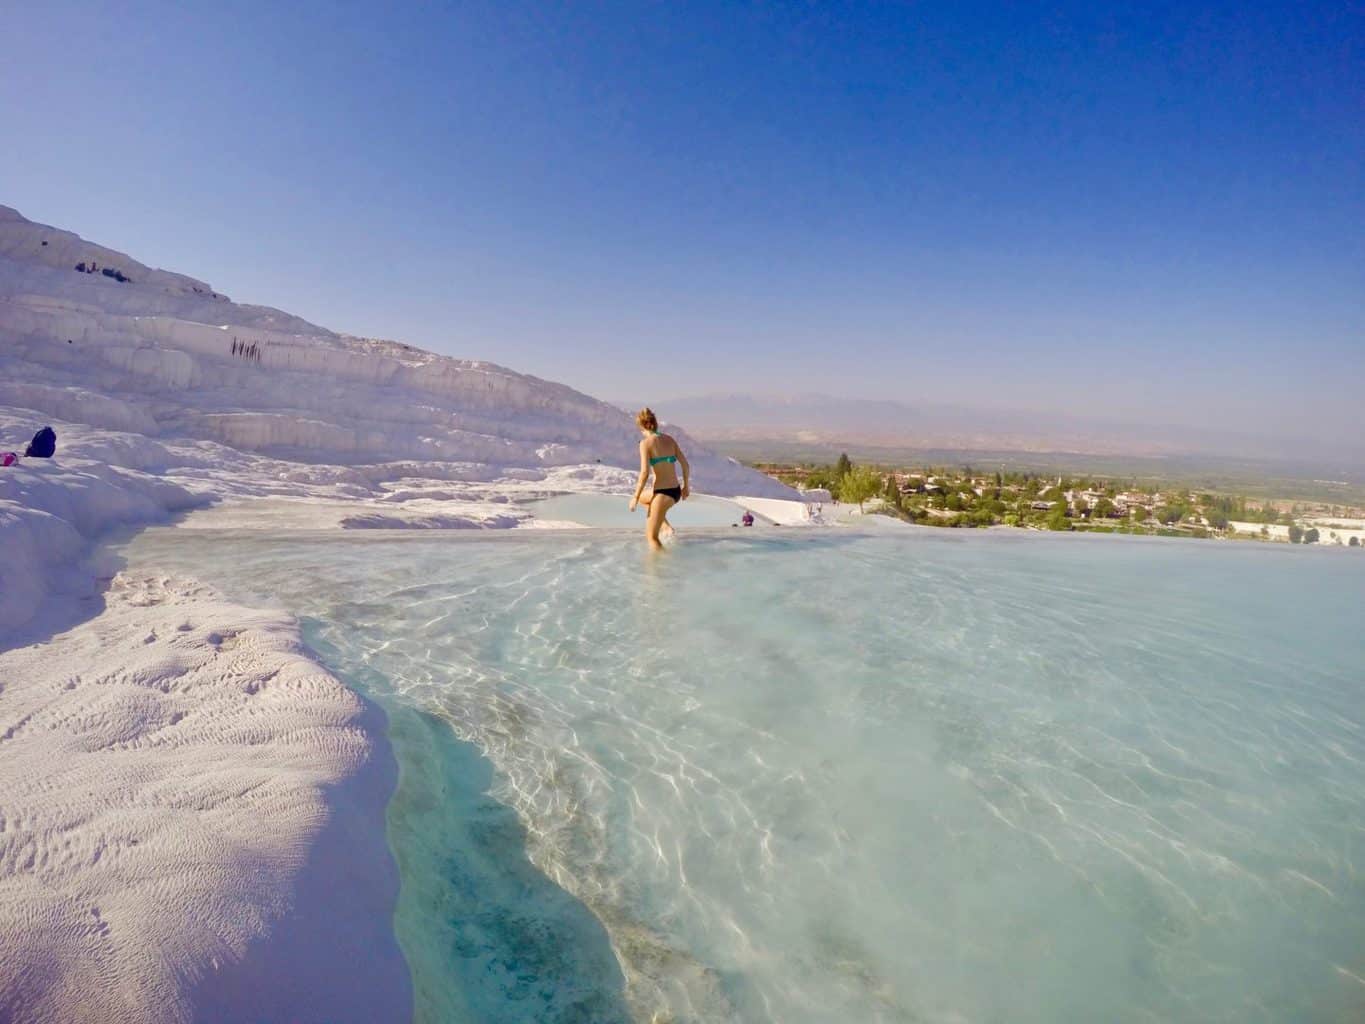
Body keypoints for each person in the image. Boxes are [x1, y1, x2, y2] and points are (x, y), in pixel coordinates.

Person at [628, 407, 689, 550]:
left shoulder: (645, 444)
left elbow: (644, 473)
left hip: (662, 493)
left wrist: (634, 497)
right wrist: (686, 487)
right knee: (645, 498)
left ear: (641, 426)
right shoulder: (669, 439)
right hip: (675, 491)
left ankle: (661, 569)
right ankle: (666, 527)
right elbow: (685, 465)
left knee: (652, 538)